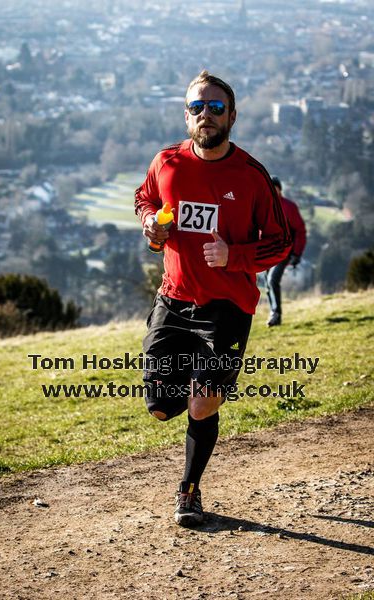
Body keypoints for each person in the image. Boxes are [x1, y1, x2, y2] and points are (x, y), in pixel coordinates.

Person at [134, 70, 292, 527]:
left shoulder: (251, 175)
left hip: (227, 308)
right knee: (162, 407)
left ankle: (188, 489)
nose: (206, 115)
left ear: (232, 115)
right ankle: (200, 388)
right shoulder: (166, 163)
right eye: (197, 107)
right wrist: (151, 226)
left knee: (202, 403)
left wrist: (235, 254)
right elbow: (145, 200)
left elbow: (280, 242)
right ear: (187, 115)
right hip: (173, 301)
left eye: (216, 107)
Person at [265, 176, 307, 327]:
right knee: (268, 284)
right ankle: (273, 312)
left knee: (272, 280)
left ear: (280, 189)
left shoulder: (289, 207)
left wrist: (297, 253)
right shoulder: (264, 205)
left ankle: (276, 314)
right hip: (265, 251)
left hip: (284, 250)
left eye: (275, 187)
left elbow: (300, 231)